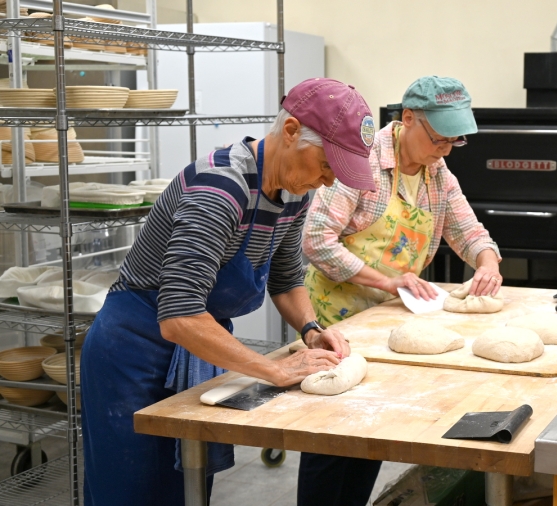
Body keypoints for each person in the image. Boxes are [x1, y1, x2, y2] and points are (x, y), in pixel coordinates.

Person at [80, 78, 377, 506]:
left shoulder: (294, 192)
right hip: (134, 350)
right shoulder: (219, 189)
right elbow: (180, 315)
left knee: (189, 486)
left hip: (197, 343)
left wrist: (312, 330)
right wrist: (275, 371)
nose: (328, 182)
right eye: (327, 166)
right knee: (134, 489)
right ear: (291, 131)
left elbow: (287, 277)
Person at [298, 76, 502, 505]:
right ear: (407, 118)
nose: (445, 149)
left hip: (389, 317)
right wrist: (386, 280)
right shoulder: (359, 161)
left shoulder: (436, 172)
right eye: (438, 138)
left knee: (372, 429)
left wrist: (487, 259)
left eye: (454, 141)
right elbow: (317, 239)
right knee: (331, 436)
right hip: (338, 318)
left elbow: (466, 229)